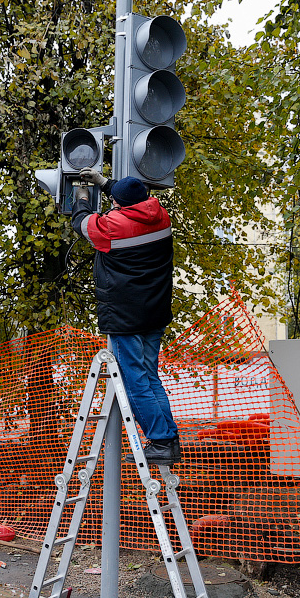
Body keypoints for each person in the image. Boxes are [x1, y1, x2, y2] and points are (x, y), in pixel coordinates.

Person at [71, 168, 181, 465]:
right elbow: (131, 200)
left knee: (135, 381)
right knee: (150, 377)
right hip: (154, 312)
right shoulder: (161, 214)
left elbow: (81, 224)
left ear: (120, 206)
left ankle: (160, 440)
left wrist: (82, 197)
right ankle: (168, 439)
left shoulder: (112, 226)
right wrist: (105, 184)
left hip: (125, 316)